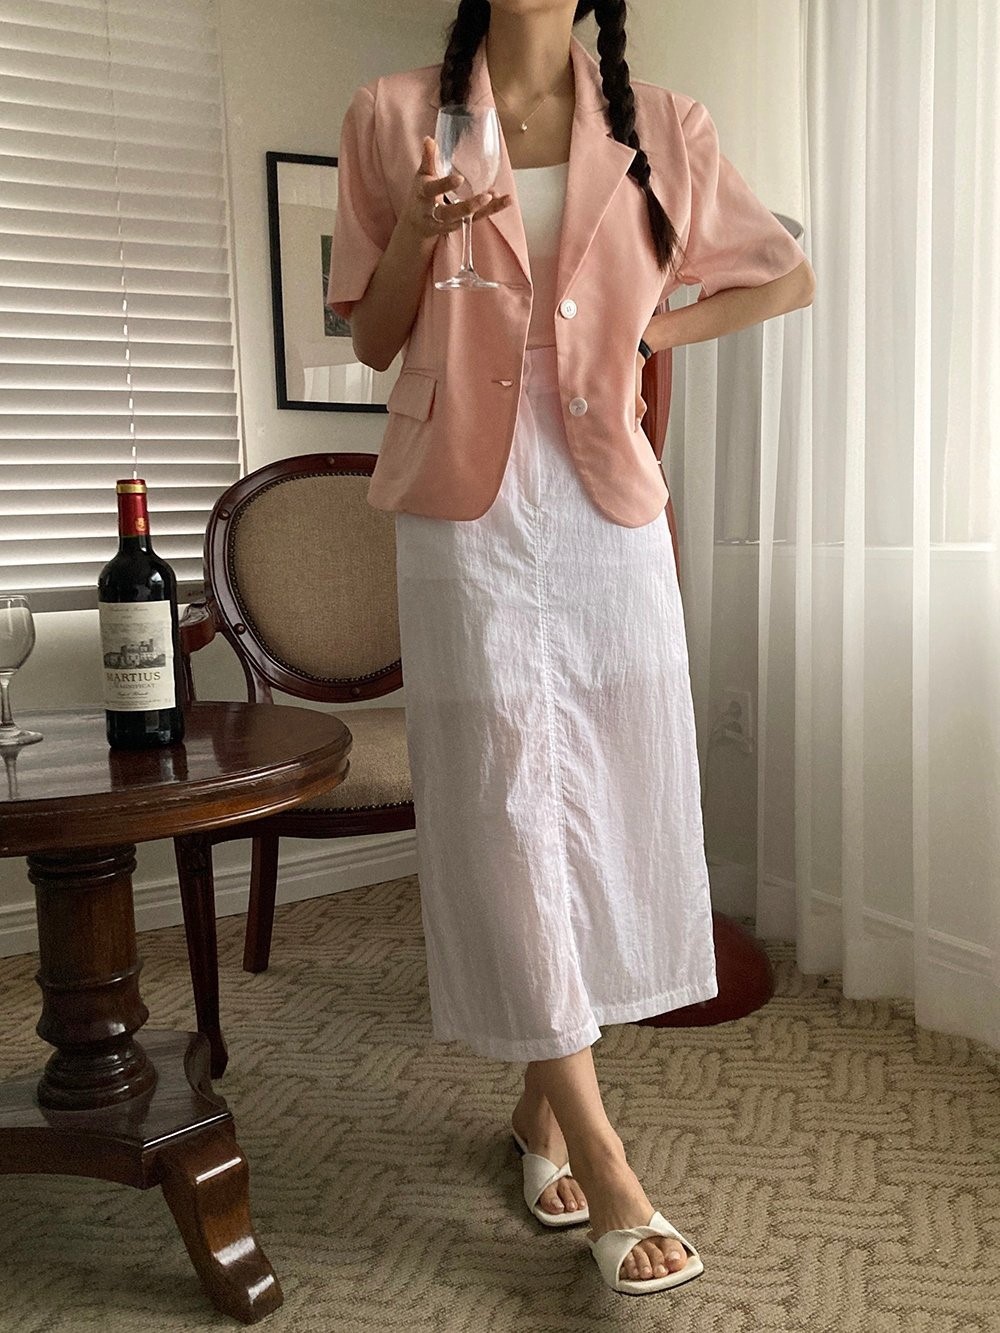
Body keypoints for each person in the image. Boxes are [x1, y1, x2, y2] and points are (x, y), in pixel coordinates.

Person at [327, 0, 815, 1298]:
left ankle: (538, 1110)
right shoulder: (395, 116)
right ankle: (604, 1159)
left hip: (608, 505)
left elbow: (784, 275)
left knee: (610, 799)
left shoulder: (664, 126)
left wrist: (658, 332)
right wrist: (416, 236)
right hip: (464, 511)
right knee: (504, 807)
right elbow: (371, 337)